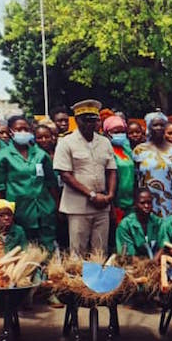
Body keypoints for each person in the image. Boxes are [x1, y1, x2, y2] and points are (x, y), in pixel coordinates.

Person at [53, 99, 117, 255]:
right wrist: (91, 195)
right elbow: (65, 175)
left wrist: (110, 195)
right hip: (78, 206)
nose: (89, 124)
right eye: (85, 120)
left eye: (93, 120)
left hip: (102, 204)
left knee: (100, 251)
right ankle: (77, 279)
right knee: (78, 252)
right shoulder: (66, 142)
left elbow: (112, 170)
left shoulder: (104, 142)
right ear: (76, 120)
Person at [0, 115, 59, 250]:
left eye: (26, 129)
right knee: (23, 251)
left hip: (44, 211)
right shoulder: (3, 156)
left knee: (47, 250)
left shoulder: (40, 155)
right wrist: (2, 215)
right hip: (19, 212)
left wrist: (55, 207)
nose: (23, 132)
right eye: (18, 129)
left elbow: (52, 184)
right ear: (10, 131)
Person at [102, 115, 136, 225]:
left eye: (122, 131)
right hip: (116, 204)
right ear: (107, 133)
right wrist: (112, 206)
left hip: (131, 203)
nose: (120, 135)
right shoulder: (106, 151)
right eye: (116, 132)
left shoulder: (126, 149)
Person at [115, 188, 162, 257]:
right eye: (142, 203)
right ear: (135, 204)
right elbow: (127, 254)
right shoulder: (125, 225)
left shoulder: (158, 222)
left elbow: (164, 246)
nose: (146, 206)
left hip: (156, 262)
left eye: (149, 203)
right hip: (133, 264)